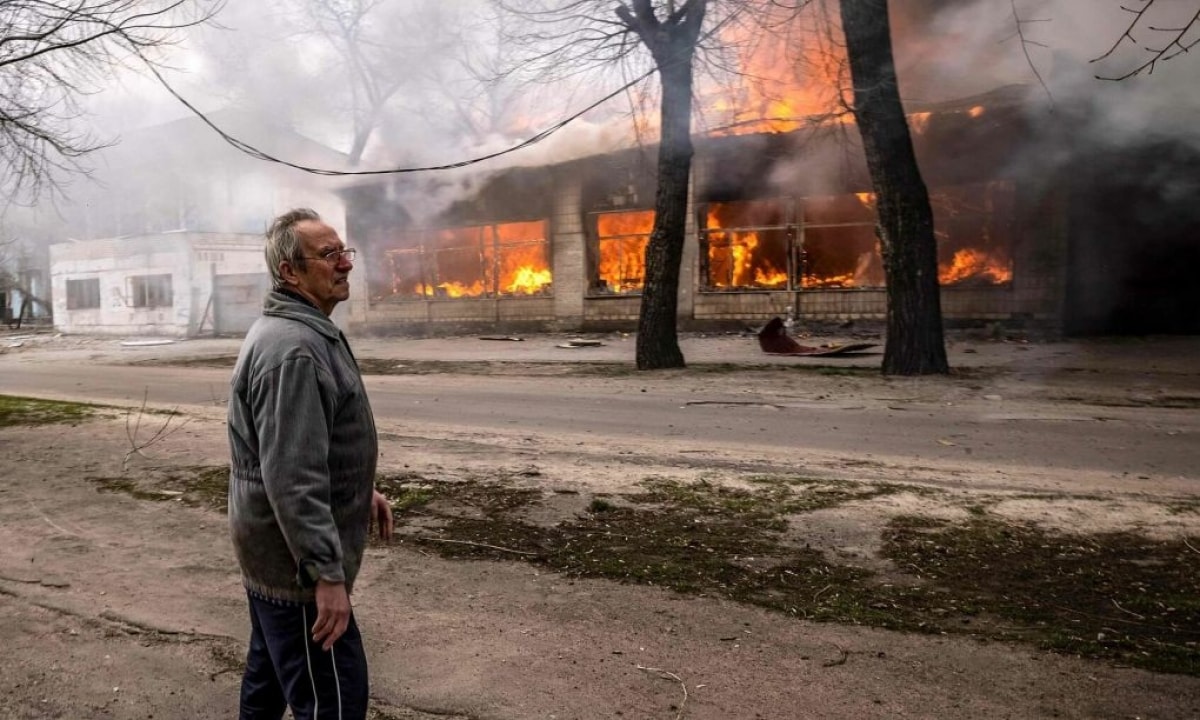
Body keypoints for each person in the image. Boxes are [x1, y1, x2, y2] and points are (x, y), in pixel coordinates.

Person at [227, 208, 393, 720]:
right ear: (289, 272)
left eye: (345, 252)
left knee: (268, 681)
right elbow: (292, 476)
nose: (345, 264)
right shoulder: (294, 348)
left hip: (273, 554)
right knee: (336, 700)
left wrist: (356, 487)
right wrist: (326, 576)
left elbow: (304, 446)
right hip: (294, 567)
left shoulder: (303, 332)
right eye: (329, 255)